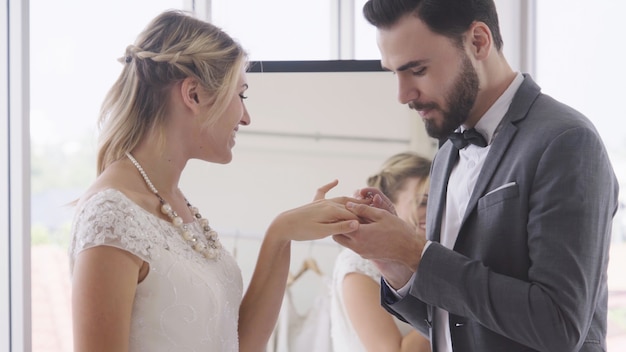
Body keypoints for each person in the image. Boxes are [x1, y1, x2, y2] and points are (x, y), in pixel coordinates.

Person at [331, 1, 620, 351]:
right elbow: (455, 326)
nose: (402, 94)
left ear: (479, 41)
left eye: (418, 70)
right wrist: (396, 265)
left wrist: (416, 253)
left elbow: (558, 327)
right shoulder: (445, 155)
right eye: (394, 73)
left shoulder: (566, 141)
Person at [68, 10, 364, 352]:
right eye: (241, 95)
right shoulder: (111, 213)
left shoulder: (173, 202)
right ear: (193, 95)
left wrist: (282, 234)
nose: (247, 116)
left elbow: (242, 343)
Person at [330, 152, 432, 352]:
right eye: (423, 202)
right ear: (388, 203)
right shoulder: (358, 264)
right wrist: (454, 300)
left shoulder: (430, 252)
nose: (433, 209)